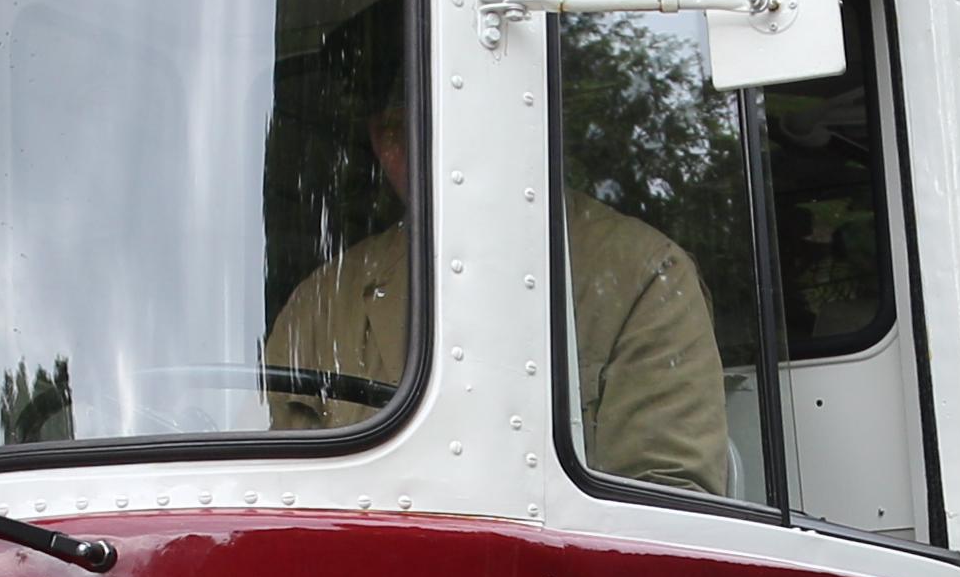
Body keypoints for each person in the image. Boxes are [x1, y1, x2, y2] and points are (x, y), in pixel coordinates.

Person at [264, 99, 732, 490]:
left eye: (442, 116)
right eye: (393, 131)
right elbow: (276, 496)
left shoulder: (645, 275)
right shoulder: (323, 300)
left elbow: (666, 505)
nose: (414, 148)